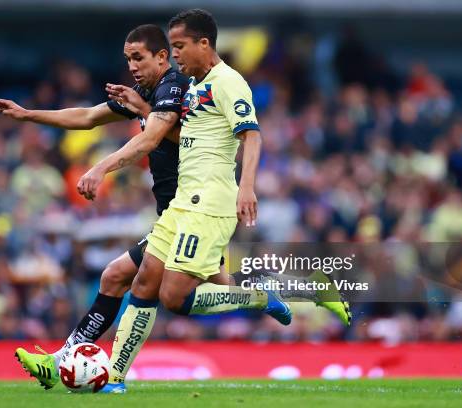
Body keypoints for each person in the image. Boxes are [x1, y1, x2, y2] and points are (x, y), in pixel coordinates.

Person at [99, 10, 349, 394]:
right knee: (146, 281)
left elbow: (252, 136)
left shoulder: (229, 82)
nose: (175, 54)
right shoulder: (195, 85)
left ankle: (264, 295)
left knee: (175, 296)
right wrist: (146, 109)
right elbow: (182, 135)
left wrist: (246, 187)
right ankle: (114, 378)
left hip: (209, 202)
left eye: (180, 46)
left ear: (204, 44)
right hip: (183, 201)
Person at [0, 24, 223, 389]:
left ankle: (94, 369)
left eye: (138, 57)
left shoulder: (174, 87)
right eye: (127, 58)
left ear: (162, 57)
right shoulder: (147, 92)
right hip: (175, 213)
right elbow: (86, 117)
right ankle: (67, 361)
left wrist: (99, 168)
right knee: (124, 278)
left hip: (195, 211)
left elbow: (151, 139)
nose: (131, 65)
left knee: (174, 288)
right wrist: (27, 114)